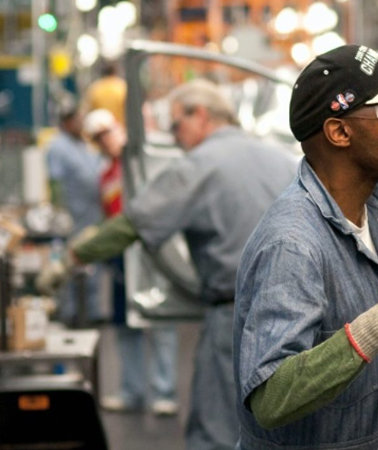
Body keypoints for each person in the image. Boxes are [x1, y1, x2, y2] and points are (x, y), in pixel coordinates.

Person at [233, 45, 378, 449]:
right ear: (340, 132)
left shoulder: (372, 205)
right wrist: (377, 326)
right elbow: (270, 398)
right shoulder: (291, 245)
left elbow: (351, 273)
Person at [44, 80, 298, 449]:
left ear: (201, 115)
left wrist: (69, 260)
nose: (175, 139)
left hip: (237, 317)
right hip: (298, 314)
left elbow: (134, 224)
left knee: (215, 432)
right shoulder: (280, 159)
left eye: (177, 126)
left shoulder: (199, 165)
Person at [82, 109, 180, 416]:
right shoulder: (106, 173)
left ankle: (165, 391)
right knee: (125, 326)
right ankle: (132, 390)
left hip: (150, 253)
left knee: (160, 321)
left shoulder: (144, 165)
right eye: (99, 138)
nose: (106, 141)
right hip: (121, 258)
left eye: (108, 132)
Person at [46, 98, 104, 326]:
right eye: (76, 119)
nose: (80, 123)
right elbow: (55, 182)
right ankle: (70, 313)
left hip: (91, 213)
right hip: (73, 215)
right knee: (70, 264)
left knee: (90, 263)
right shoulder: (58, 147)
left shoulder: (81, 143)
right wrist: (59, 214)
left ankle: (91, 311)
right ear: (66, 121)